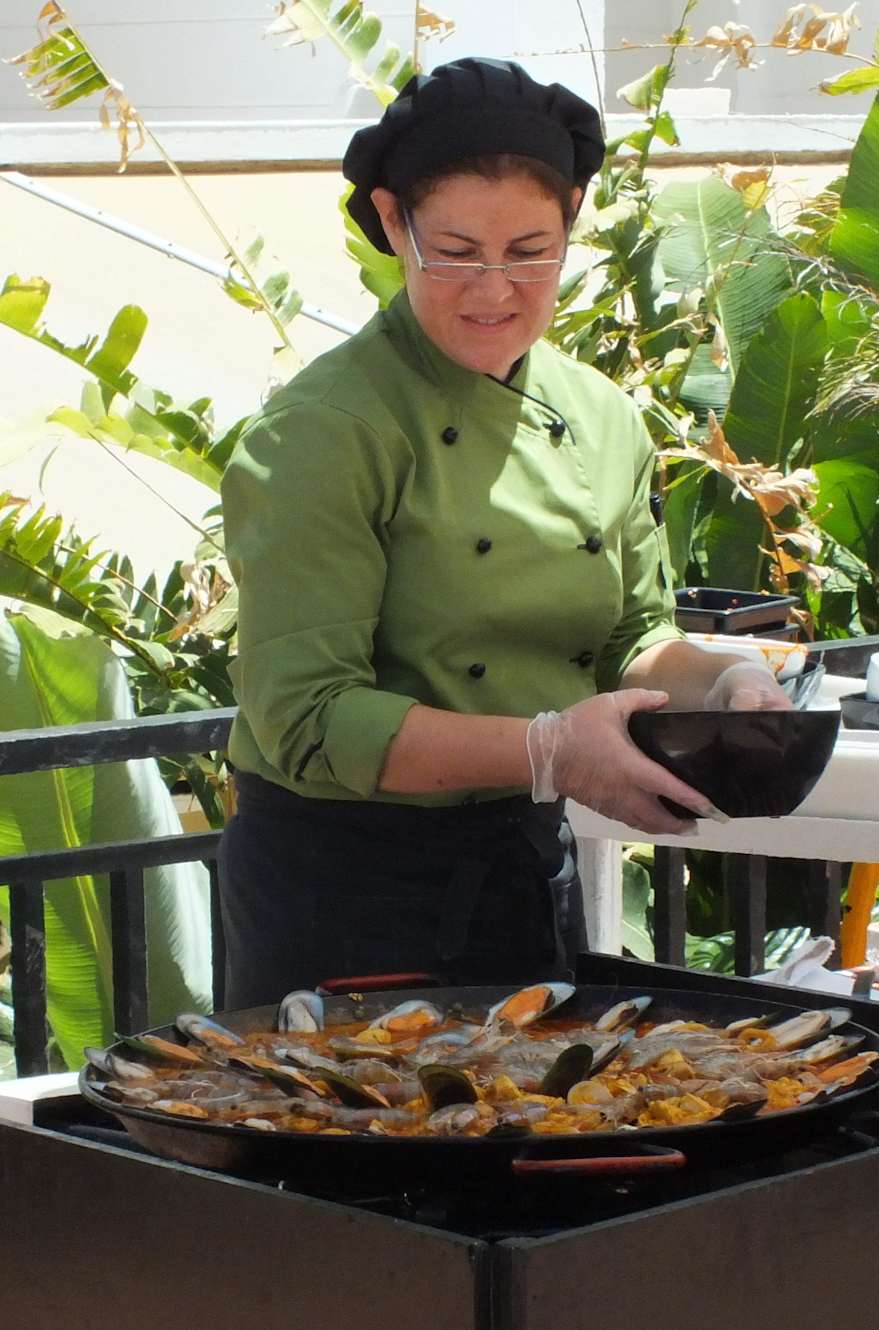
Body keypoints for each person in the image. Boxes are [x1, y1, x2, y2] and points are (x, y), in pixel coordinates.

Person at [216, 56, 791, 1008]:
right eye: (455, 251)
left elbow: (630, 637)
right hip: (345, 886)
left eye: (530, 252)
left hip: (520, 869)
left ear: (573, 220)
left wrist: (725, 683)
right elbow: (309, 719)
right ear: (394, 223)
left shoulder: (602, 416)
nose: (494, 289)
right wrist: (547, 751)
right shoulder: (325, 431)